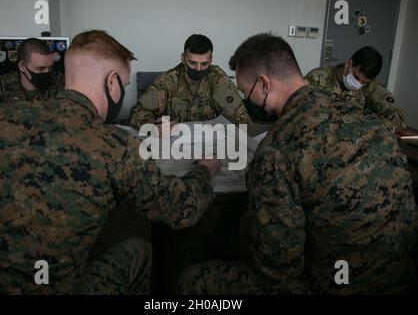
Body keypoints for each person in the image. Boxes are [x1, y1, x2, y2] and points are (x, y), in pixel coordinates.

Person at [0, 30, 221, 294]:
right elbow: (181, 209)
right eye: (122, 85)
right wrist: (205, 169)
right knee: (139, 250)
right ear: (112, 82)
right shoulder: (113, 146)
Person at [177, 33, 417, 295]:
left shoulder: (277, 150)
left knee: (192, 280)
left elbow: (277, 266)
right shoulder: (370, 120)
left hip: (337, 284)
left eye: (245, 92)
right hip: (402, 272)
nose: (246, 100)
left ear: (264, 84)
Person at [129, 34, 252, 129]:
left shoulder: (217, 79)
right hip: (175, 146)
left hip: (209, 146)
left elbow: (242, 119)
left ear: (211, 59)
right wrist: (155, 127)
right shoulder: (168, 81)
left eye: (204, 64)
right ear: (183, 58)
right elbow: (139, 113)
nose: (198, 69)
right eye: (192, 63)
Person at [305, 46, 406, 132]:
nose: (358, 84)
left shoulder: (370, 86)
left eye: (364, 82)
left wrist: (369, 126)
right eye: (356, 77)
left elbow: (396, 117)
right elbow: (298, 109)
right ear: (349, 64)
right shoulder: (317, 78)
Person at [0, 37, 64, 116]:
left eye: (50, 68)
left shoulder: (61, 83)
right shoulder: (2, 87)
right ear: (22, 66)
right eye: (40, 69)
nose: (47, 72)